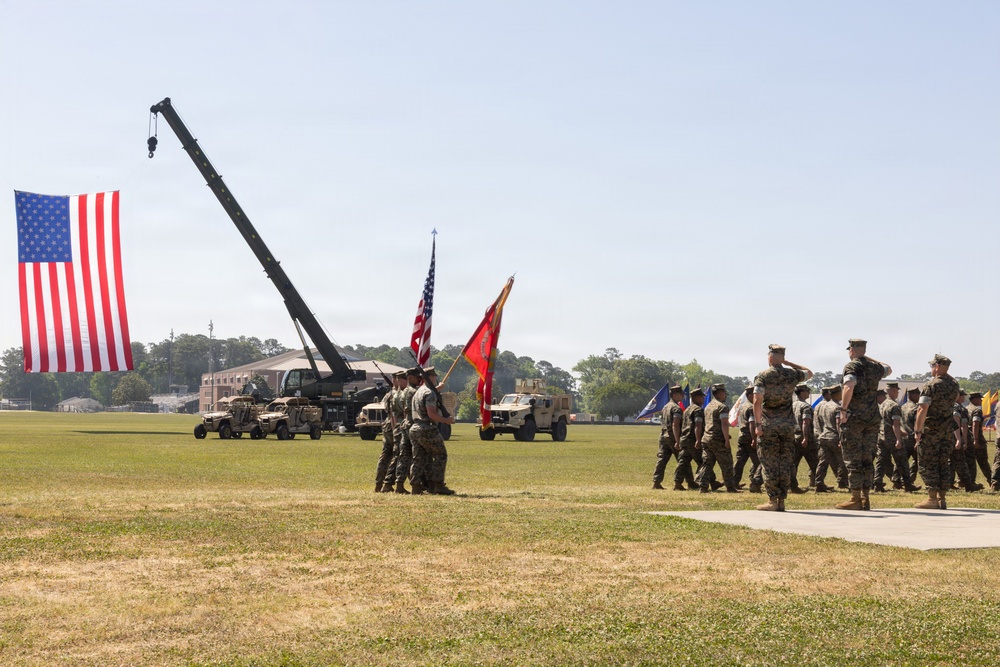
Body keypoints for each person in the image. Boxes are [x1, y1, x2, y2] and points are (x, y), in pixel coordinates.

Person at [752, 344, 813, 511]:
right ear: (782, 357)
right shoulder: (792, 374)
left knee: (769, 463)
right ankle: (782, 501)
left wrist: (757, 424)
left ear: (770, 357)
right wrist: (789, 363)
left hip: (769, 425)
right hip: (787, 426)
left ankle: (772, 500)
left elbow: (757, 401)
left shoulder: (763, 376)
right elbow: (809, 372)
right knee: (785, 462)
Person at [836, 339, 892, 511]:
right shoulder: (875, 368)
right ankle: (865, 497)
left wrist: (843, 409)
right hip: (872, 418)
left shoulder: (852, 366)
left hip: (855, 418)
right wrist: (867, 358)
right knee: (867, 458)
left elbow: (849, 387)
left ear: (852, 350)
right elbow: (888, 368)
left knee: (853, 458)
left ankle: (855, 498)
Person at [913, 354, 960, 509]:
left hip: (931, 431)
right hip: (947, 431)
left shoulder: (930, 385)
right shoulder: (954, 385)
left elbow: (922, 408)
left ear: (937, 366)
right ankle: (942, 497)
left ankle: (932, 498)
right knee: (943, 463)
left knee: (928, 463)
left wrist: (917, 431)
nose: (931, 369)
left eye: (932, 366)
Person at [409, 366, 456, 495]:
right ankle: (437, 485)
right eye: (434, 376)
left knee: (419, 458)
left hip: (415, 428)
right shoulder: (429, 393)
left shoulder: (419, 391)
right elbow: (432, 414)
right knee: (440, 455)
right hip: (427, 428)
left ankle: (416, 486)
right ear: (430, 377)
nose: (436, 379)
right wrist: (446, 420)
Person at [696, 384, 738, 493]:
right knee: (727, 463)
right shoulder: (722, 407)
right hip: (718, 439)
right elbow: (724, 423)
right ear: (720, 393)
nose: (725, 396)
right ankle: (730, 487)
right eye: (724, 393)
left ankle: (703, 487)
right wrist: (726, 439)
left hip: (706, 438)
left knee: (707, 464)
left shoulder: (708, 406)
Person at [814, 385, 847, 493]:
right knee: (843, 461)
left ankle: (819, 483)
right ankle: (842, 482)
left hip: (824, 436)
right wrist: (841, 438)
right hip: (834, 437)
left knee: (823, 462)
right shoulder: (837, 407)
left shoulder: (823, 406)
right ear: (837, 394)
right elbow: (838, 423)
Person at [652, 386, 685, 490]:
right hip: (672, 436)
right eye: (681, 394)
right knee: (682, 459)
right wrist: (677, 441)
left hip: (663, 436)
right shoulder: (676, 408)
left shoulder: (666, 407)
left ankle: (656, 482)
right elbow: (675, 425)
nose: (683, 396)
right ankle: (678, 483)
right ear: (675, 395)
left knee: (662, 460)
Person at [950, 389, 981, 492]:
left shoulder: (948, 406)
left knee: (950, 461)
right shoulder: (959, 408)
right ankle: (968, 484)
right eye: (962, 395)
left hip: (948, 438)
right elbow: (962, 425)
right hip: (957, 437)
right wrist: (963, 440)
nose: (964, 397)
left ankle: (949, 483)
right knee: (961, 462)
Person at [873, 384, 903, 492]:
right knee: (901, 461)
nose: (898, 393)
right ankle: (904, 483)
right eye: (897, 391)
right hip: (891, 437)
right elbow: (895, 424)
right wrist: (899, 438)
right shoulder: (894, 406)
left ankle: (878, 483)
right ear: (894, 391)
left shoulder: (882, 405)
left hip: (881, 436)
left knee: (881, 461)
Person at [733, 385, 762, 493]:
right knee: (759, 462)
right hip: (749, 437)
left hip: (742, 437)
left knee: (740, 462)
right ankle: (755, 483)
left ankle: (734, 482)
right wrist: (754, 439)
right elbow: (752, 424)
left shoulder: (743, 406)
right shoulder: (751, 407)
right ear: (750, 395)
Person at [675, 388, 706, 491]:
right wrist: (698, 440)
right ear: (696, 398)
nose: (703, 399)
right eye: (701, 397)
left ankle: (677, 482)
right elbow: (698, 425)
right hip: (693, 440)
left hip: (684, 439)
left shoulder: (687, 410)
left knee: (683, 463)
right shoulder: (697, 410)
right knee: (704, 462)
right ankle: (703, 481)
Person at [374, 376, 399, 493]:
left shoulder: (388, 394)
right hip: (394, 425)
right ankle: (388, 483)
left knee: (385, 455)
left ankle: (379, 483)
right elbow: (394, 414)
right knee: (398, 454)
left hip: (387, 425)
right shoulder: (395, 394)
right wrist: (396, 429)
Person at [790, 384, 817, 493]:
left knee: (793, 463)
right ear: (801, 393)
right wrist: (806, 438)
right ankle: (819, 483)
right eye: (807, 391)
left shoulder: (792, 405)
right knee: (815, 462)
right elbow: (805, 423)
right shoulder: (805, 407)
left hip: (794, 436)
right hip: (805, 437)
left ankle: (791, 484)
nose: (809, 392)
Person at [895, 387, 922, 491]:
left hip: (903, 437)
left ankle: (896, 480)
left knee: (902, 460)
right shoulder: (915, 408)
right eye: (918, 395)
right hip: (913, 437)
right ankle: (909, 480)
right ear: (913, 395)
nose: (919, 397)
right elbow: (917, 424)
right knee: (918, 460)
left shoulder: (902, 407)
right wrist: (918, 439)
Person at [967, 392, 993, 485]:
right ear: (974, 399)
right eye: (979, 399)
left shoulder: (966, 409)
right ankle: (991, 481)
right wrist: (976, 440)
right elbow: (975, 424)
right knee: (983, 462)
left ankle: (968, 481)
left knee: (970, 462)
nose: (981, 401)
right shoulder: (976, 410)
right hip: (977, 439)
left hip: (967, 438)